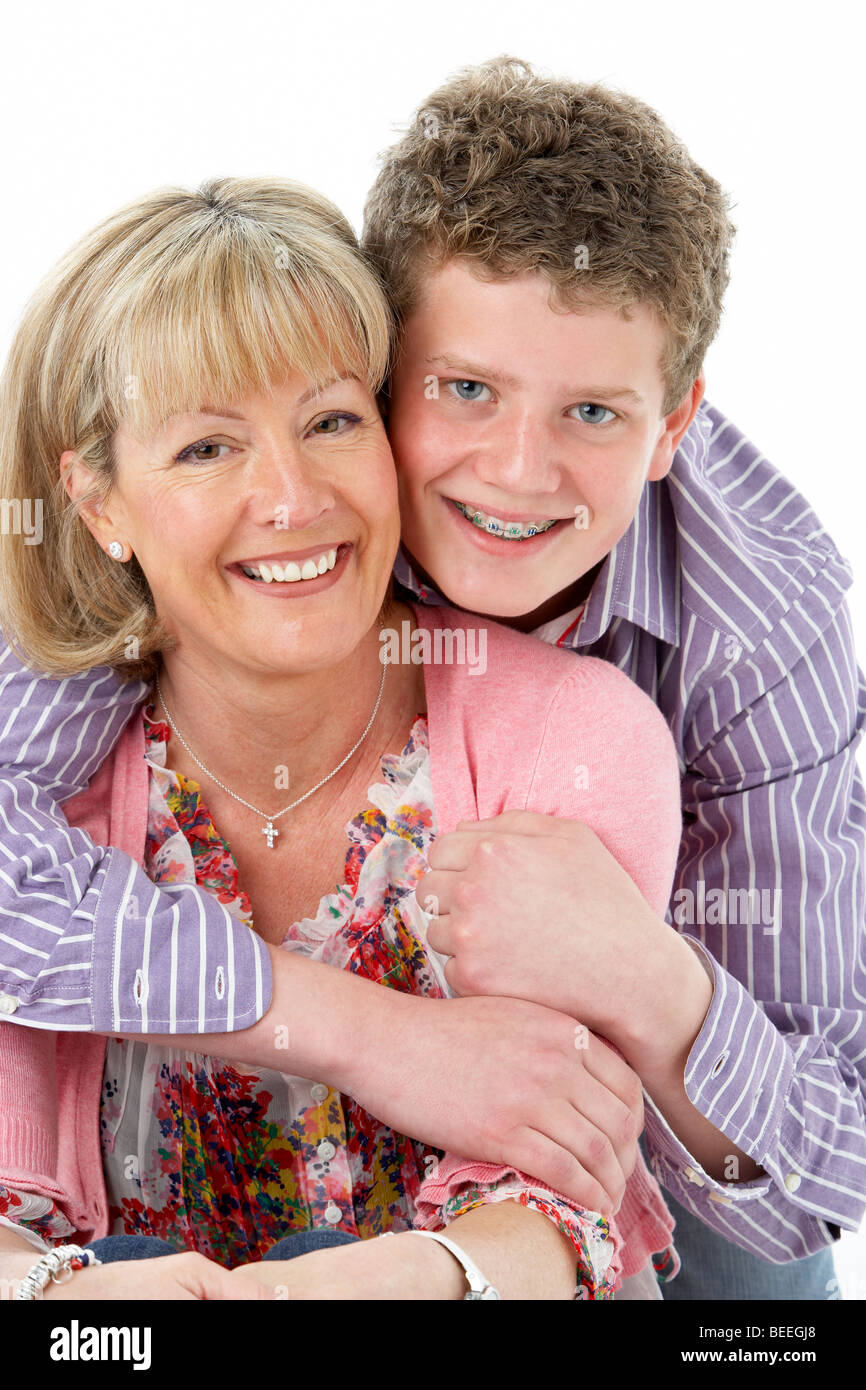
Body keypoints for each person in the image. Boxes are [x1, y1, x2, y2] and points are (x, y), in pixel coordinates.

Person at [3, 56, 863, 1300]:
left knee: (742, 1290)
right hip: (182, 1215)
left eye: (592, 414)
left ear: (671, 426)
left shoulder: (753, 624)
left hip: (635, 1149)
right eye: (463, 390)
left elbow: (823, 1157)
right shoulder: (200, 566)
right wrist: (366, 1034)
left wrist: (647, 978)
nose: (515, 473)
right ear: (385, 357)